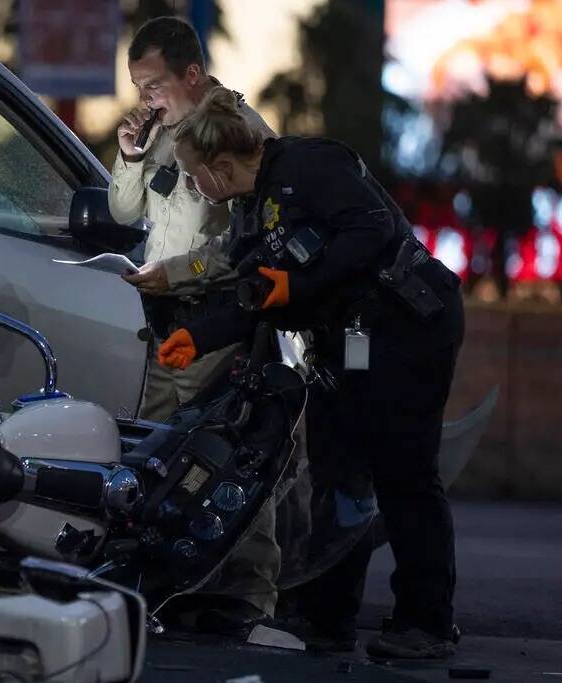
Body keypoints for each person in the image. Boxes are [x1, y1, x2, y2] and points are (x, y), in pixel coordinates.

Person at [143, 87, 465, 659]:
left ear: (219, 168)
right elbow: (255, 293)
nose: (195, 188)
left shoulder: (310, 165)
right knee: (339, 471)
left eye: (194, 177)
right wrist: (199, 337)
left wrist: (300, 284)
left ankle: (428, 621)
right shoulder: (253, 209)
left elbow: (372, 231)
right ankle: (326, 616)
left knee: (403, 472)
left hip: (407, 328)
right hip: (351, 341)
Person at [109, 17, 281, 633]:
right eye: (137, 86)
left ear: (191, 73)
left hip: (214, 320)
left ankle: (245, 594)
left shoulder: (236, 130)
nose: (144, 99)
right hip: (165, 323)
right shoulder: (158, 130)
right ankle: (169, 579)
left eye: (153, 85)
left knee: (225, 450)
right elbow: (124, 208)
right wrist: (129, 157)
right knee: (159, 452)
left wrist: (175, 275)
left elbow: (245, 242)